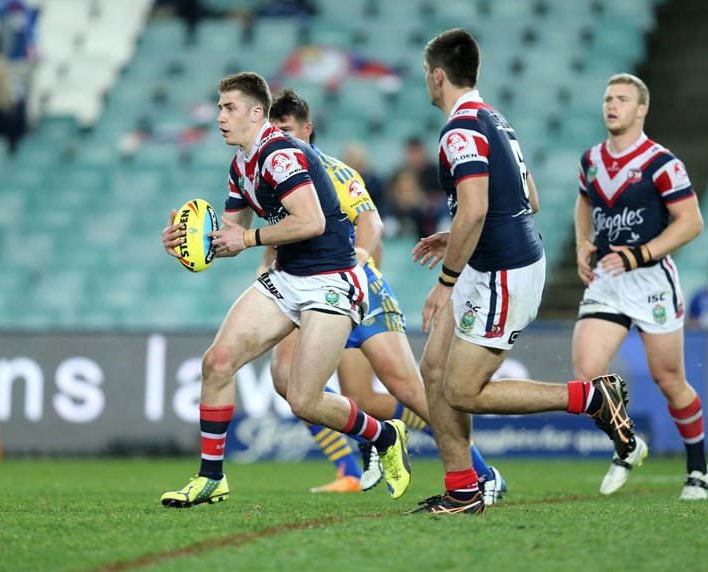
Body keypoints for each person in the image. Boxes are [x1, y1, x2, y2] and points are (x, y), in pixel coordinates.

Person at [408, 28, 638, 515]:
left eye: (426, 74)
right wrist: (459, 236)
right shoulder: (494, 118)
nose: (426, 81)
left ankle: (590, 398)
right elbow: (527, 199)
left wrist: (444, 282)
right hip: (491, 261)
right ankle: (463, 490)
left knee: (462, 390)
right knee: (433, 371)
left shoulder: (460, 130)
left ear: (437, 76)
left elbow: (475, 210)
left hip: (501, 273)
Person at [159, 71, 411, 508]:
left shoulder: (279, 155)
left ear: (257, 112)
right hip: (288, 277)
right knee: (217, 362)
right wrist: (189, 242)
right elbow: (230, 236)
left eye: (229, 108)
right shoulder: (241, 164)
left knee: (304, 401)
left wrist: (248, 239)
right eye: (219, 108)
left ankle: (385, 435)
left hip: (331, 280)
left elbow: (310, 221)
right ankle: (211, 478)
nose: (220, 117)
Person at [266, 87, 507, 503]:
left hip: (360, 291)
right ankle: (374, 440)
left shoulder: (333, 171)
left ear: (307, 130)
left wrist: (356, 261)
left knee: (410, 390)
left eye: (286, 130)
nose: (279, 139)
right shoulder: (272, 181)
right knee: (290, 380)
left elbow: (372, 223)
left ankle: (483, 474)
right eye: (273, 131)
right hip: (310, 294)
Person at [573, 73, 708, 500]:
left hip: (651, 280)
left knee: (668, 379)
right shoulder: (591, 159)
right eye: (608, 99)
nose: (612, 105)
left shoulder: (661, 163)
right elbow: (584, 200)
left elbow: (692, 223)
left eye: (622, 99)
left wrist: (639, 254)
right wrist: (582, 242)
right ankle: (628, 444)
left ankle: (698, 468)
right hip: (608, 278)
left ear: (641, 110)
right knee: (587, 375)